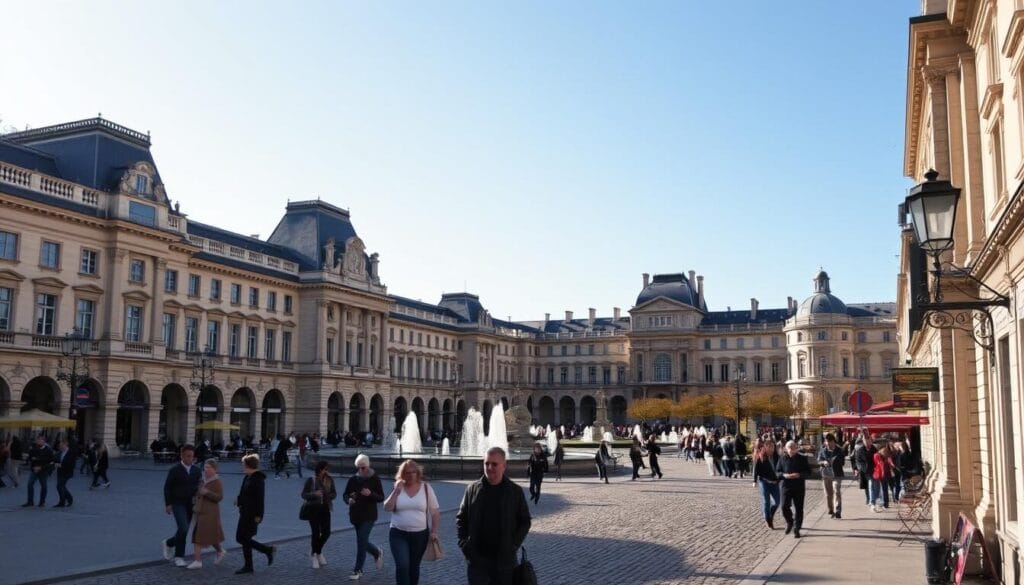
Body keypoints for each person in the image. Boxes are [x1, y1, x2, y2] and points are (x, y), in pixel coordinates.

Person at [456, 446, 532, 585]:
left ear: (504, 466)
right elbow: (461, 518)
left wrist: (513, 544)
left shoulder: (515, 491)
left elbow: (525, 521)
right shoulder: (472, 489)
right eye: (486, 463)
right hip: (477, 562)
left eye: (494, 464)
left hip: (505, 562)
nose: (489, 467)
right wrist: (465, 545)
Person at [383, 459, 440, 585]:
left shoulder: (426, 488)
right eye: (407, 472)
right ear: (402, 474)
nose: (410, 475)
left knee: (414, 567)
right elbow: (387, 508)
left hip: (420, 535)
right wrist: (396, 492)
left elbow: (435, 512)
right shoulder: (398, 487)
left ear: (418, 473)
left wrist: (434, 531)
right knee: (402, 565)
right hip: (398, 533)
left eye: (413, 472)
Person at [344, 454, 385, 580]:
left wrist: (370, 494)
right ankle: (376, 552)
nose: (361, 470)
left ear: (368, 466)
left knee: (361, 542)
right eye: (359, 468)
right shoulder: (353, 479)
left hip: (369, 515)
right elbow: (345, 494)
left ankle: (358, 570)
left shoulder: (375, 478)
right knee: (362, 541)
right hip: (356, 515)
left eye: (363, 467)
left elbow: (381, 497)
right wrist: (349, 500)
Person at [234, 453, 275, 574]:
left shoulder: (258, 479)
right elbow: (243, 493)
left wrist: (259, 515)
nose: (242, 466)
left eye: (243, 464)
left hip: (252, 514)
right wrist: (238, 500)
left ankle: (266, 552)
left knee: (242, 538)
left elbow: (259, 499)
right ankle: (250, 564)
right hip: (244, 512)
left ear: (248, 465)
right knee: (243, 538)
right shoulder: (247, 477)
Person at [162, 444, 202, 567]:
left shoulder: (196, 470)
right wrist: (168, 504)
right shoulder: (175, 470)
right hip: (177, 502)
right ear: (182, 456)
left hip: (191, 503)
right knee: (183, 528)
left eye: (192, 456)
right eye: (188, 456)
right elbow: (167, 487)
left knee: (183, 530)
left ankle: (169, 543)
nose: (190, 459)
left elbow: (198, 486)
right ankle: (179, 556)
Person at [187, 459, 226, 569]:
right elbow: (198, 492)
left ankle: (198, 561)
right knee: (210, 536)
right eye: (205, 467)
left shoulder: (217, 481)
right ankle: (220, 551)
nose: (205, 470)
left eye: (208, 467)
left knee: (199, 536)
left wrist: (207, 492)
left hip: (210, 513)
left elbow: (219, 497)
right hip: (199, 511)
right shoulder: (203, 480)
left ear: (214, 469)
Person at [302, 460, 337, 570]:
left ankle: (316, 551)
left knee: (327, 532)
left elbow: (334, 493)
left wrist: (328, 496)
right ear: (319, 469)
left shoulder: (330, 479)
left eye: (327, 469)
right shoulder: (311, 480)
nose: (326, 472)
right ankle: (315, 556)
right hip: (313, 509)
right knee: (316, 533)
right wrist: (314, 494)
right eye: (324, 469)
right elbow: (303, 494)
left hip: (325, 508)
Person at [776, 440, 811, 538]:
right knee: (784, 506)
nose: (791, 449)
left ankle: (797, 528)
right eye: (789, 448)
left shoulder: (802, 458)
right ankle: (790, 522)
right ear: (786, 449)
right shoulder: (782, 458)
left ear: (796, 448)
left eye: (793, 447)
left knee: (799, 508)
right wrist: (784, 475)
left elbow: (808, 472)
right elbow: (777, 472)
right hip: (786, 486)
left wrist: (799, 475)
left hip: (798, 486)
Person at [752, 436, 781, 528]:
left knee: (777, 502)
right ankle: (768, 519)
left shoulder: (777, 456)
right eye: (769, 447)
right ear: (765, 447)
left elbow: (782, 467)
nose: (771, 449)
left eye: (772, 447)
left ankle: (770, 515)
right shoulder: (760, 457)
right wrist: (754, 480)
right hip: (764, 482)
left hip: (775, 482)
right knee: (766, 502)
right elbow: (755, 469)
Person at [817, 433, 846, 519]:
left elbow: (843, 462)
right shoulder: (822, 450)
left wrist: (835, 461)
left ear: (834, 441)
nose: (828, 443)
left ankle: (838, 511)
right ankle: (831, 509)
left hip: (837, 474)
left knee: (837, 491)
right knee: (828, 494)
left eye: (830, 442)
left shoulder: (839, 450)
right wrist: (823, 462)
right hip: (826, 474)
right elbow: (819, 461)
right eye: (826, 442)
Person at [23, 434, 54, 508]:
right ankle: (30, 501)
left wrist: (41, 467)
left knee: (44, 486)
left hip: (43, 471)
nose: (38, 441)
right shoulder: (33, 449)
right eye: (38, 440)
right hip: (34, 470)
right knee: (30, 484)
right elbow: (30, 458)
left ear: (44, 441)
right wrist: (32, 462)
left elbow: (51, 462)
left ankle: (42, 502)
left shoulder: (48, 450)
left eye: (40, 440)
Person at [53, 438, 76, 508]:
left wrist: (61, 465)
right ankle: (69, 499)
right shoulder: (60, 452)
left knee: (59, 486)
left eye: (61, 445)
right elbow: (56, 459)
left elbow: (72, 464)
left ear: (65, 444)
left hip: (67, 472)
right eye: (60, 446)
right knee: (61, 486)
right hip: (60, 472)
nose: (60, 447)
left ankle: (63, 501)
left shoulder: (71, 452)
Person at [871, 444, 895, 512]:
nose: (885, 452)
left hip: (886, 474)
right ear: (880, 450)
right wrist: (885, 462)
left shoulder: (886, 456)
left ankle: (886, 503)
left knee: (885, 488)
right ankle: (880, 503)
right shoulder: (876, 455)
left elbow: (890, 461)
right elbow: (879, 463)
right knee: (879, 489)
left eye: (885, 451)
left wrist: (891, 464)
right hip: (879, 474)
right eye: (883, 451)